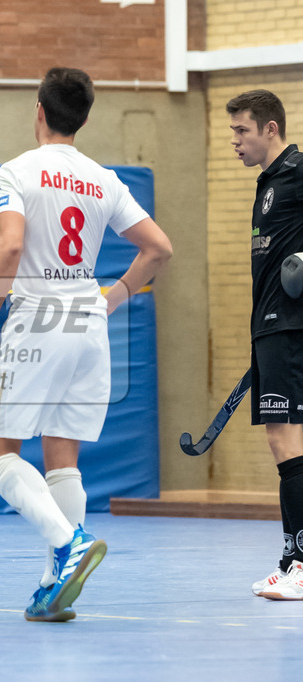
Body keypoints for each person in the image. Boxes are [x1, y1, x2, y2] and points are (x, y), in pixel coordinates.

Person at [0, 67, 172, 622]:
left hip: (37, 323)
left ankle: (70, 544)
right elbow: (158, 248)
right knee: (63, 459)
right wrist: (112, 299)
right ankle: (52, 586)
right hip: (89, 327)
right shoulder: (104, 179)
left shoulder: (16, 171)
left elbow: (11, 247)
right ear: (81, 116)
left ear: (39, 109)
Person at [226, 90, 303, 600]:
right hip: (272, 326)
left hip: (288, 326)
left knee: (285, 440)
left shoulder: (297, 173)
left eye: (241, 131)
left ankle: (300, 562)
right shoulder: (270, 183)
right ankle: (293, 558)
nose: (235, 141)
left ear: (269, 129)